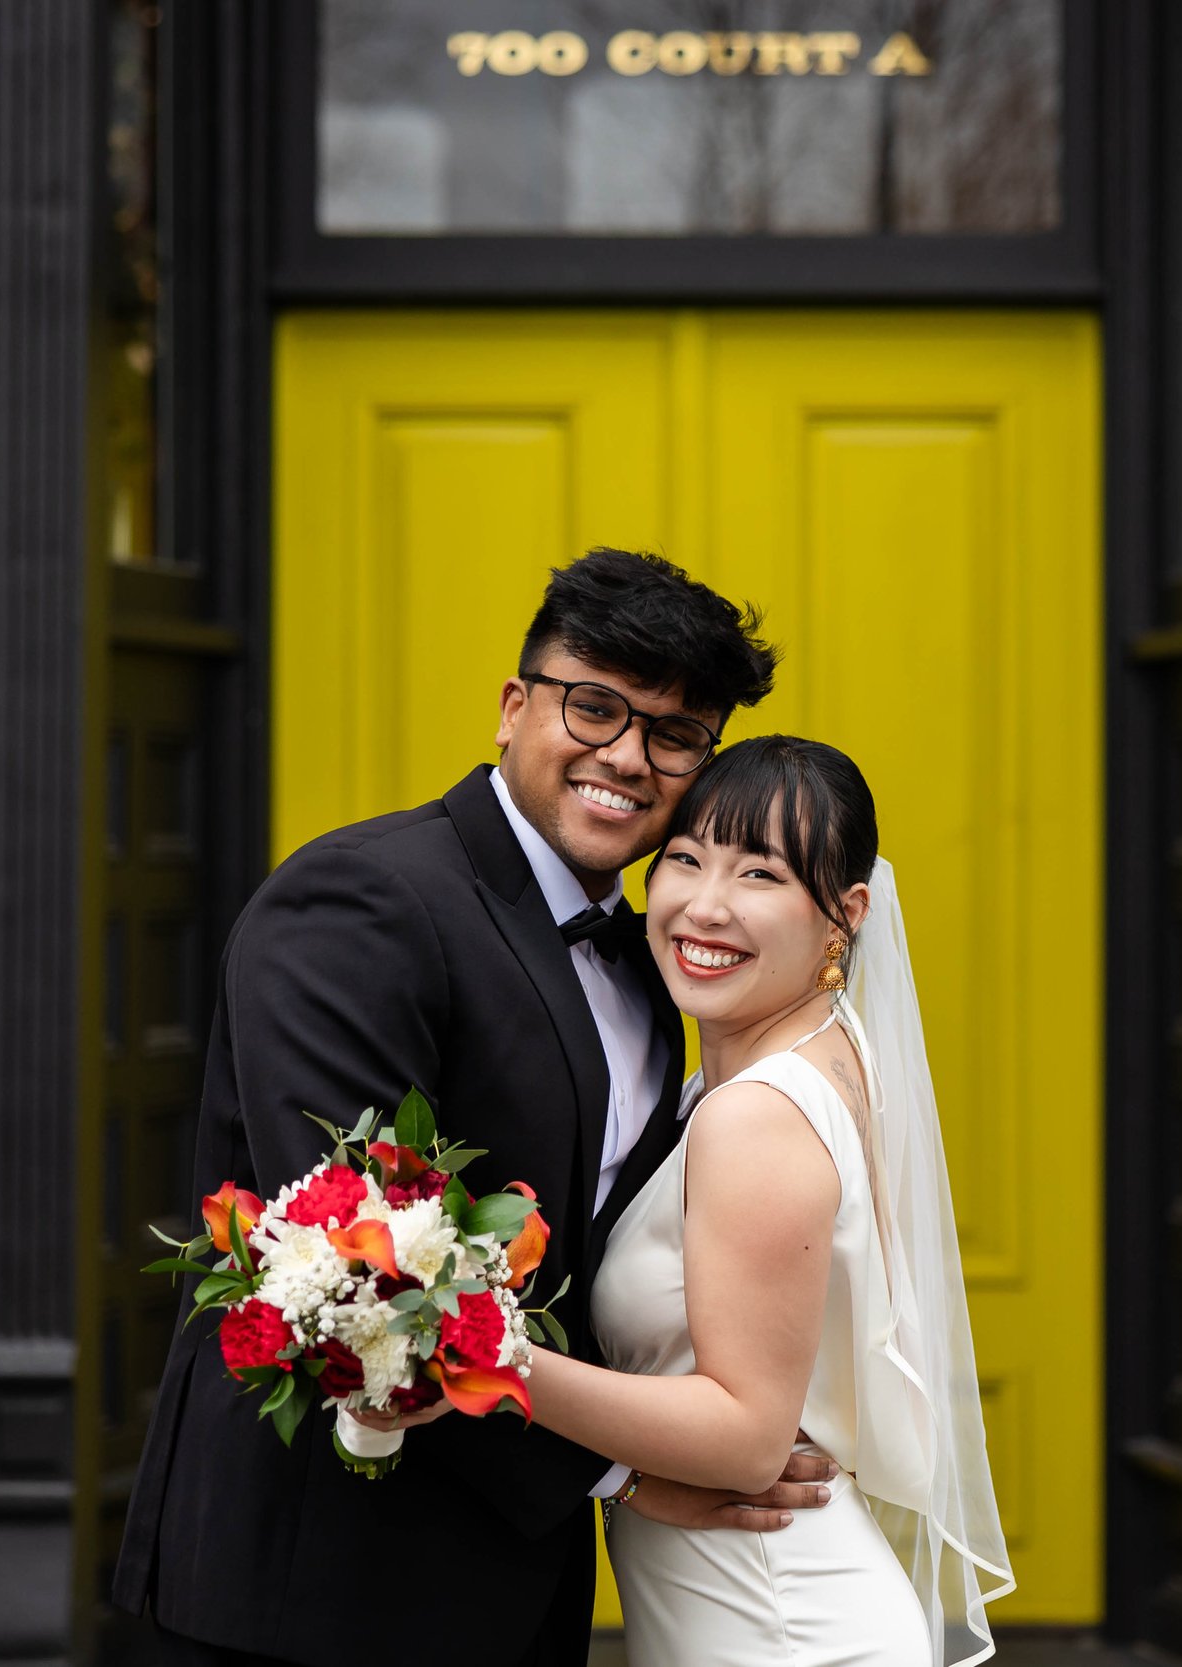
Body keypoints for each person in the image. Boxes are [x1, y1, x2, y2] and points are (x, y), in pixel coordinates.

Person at [112, 549, 838, 1667]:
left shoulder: (655, 958)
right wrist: (626, 1469)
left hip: (515, 1584)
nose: (627, 757)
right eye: (594, 707)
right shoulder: (362, 900)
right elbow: (355, 1269)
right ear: (513, 706)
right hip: (316, 1585)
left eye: (675, 733)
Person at [361, 735, 1014, 1665]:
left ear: (845, 914)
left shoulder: (755, 1114)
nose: (706, 906)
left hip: (779, 1624)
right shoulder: (817, 1054)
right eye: (686, 859)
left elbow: (747, 1440)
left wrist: (477, 1346)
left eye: (760, 874)